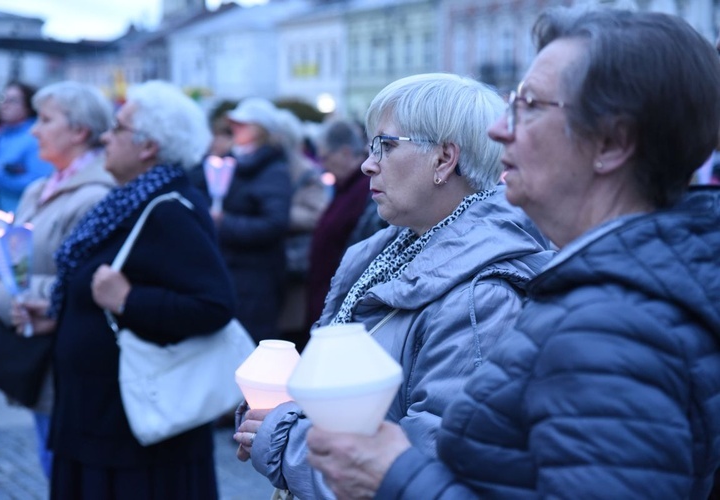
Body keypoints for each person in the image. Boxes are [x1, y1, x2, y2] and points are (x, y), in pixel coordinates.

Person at [306, 7, 720, 499]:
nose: (500, 129)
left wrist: (395, 477)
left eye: (529, 105)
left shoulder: (610, 325)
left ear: (610, 144)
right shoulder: (608, 290)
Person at [233, 73, 554, 499]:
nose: (368, 163)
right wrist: (280, 406)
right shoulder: (394, 250)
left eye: (385, 146)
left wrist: (282, 434)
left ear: (444, 160)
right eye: (370, 147)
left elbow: (426, 468)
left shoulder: (481, 297)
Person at [16, 80, 236, 499]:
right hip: (98, 420)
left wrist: (128, 300)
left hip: (135, 439)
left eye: (117, 128)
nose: (106, 137)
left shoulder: (171, 209)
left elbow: (214, 305)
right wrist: (60, 315)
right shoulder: (130, 199)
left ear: (147, 146)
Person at [0, 81, 116, 479]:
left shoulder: (95, 194)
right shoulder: (40, 187)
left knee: (68, 467)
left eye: (46, 120)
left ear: (79, 131)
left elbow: (83, 286)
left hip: (69, 359)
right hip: (35, 352)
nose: (34, 130)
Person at [219, 97, 292, 342]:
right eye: (234, 123)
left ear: (261, 129)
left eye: (244, 123)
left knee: (253, 345)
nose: (235, 128)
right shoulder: (235, 162)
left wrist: (224, 223)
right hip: (235, 274)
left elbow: (274, 224)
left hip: (258, 281)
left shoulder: (273, 170)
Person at [305, 118, 386, 334]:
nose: (322, 165)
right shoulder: (346, 188)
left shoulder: (367, 191)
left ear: (345, 153)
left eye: (325, 157)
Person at [275, 108, 330, 351]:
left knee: (292, 337)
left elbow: (316, 213)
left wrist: (277, 215)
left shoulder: (304, 170)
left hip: (296, 265)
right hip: (278, 265)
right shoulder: (275, 167)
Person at [0, 81, 53, 212]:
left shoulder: (36, 137)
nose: (4, 105)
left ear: (27, 106)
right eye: (2, 98)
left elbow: (39, 182)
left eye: (12, 101)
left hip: (18, 219)